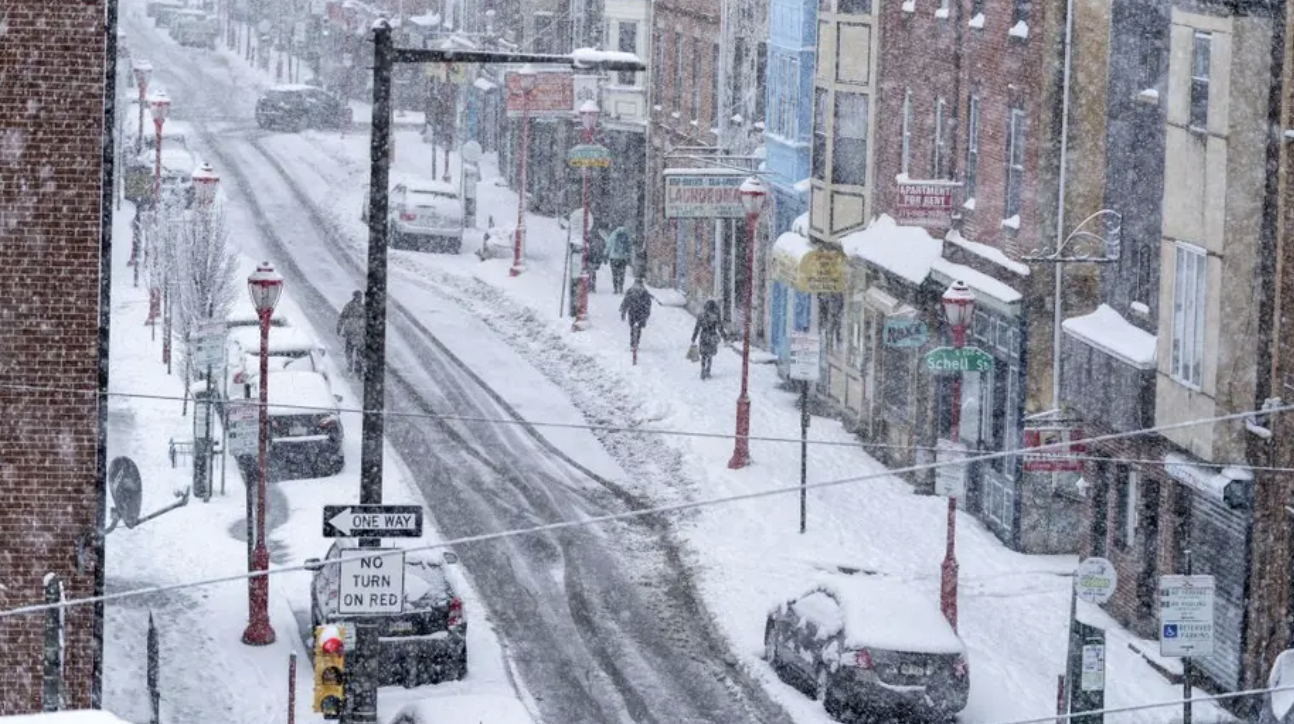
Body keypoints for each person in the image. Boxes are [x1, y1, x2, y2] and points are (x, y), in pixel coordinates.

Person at [691, 299, 724, 380]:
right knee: (710, 355)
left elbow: (697, 328)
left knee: (703, 354)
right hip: (712, 336)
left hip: (704, 336)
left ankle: (702, 369)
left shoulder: (700, 316)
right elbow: (720, 327)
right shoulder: (715, 316)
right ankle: (708, 370)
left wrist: (694, 337)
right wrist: (724, 336)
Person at [620, 277, 653, 352]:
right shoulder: (645, 292)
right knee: (638, 329)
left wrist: (623, 311)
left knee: (632, 329)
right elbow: (648, 305)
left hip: (632, 312)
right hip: (641, 313)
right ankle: (636, 343)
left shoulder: (631, 291)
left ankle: (632, 344)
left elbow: (626, 302)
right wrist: (646, 316)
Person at [336, 291, 365, 374]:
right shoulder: (352, 307)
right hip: (353, 333)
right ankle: (353, 366)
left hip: (356, 333)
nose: (360, 298)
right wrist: (339, 327)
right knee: (353, 351)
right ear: (355, 296)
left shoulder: (352, 306)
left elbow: (342, 317)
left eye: (361, 297)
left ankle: (355, 366)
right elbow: (342, 317)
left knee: (354, 351)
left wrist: (339, 327)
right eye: (359, 296)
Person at [605, 223, 633, 294]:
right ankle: (621, 288)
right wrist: (628, 255)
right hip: (623, 258)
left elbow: (609, 245)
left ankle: (615, 289)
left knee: (614, 274)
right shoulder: (626, 233)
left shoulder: (613, 234)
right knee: (622, 273)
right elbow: (630, 245)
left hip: (613, 257)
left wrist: (605, 253)